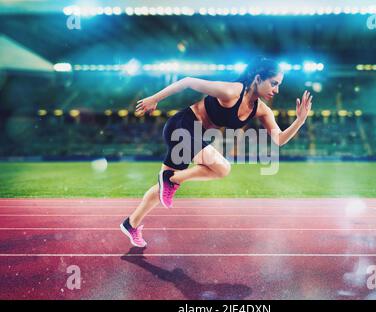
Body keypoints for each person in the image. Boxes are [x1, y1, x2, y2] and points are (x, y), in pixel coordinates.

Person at [120, 57, 313, 247]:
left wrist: (300, 121)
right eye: (273, 83)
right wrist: (154, 99)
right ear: (257, 78)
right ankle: (170, 178)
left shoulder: (261, 110)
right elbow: (188, 82)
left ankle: (131, 223)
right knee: (222, 168)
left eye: (278, 85)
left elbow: (278, 140)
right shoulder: (231, 91)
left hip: (194, 136)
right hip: (181, 126)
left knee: (161, 190)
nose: (276, 90)